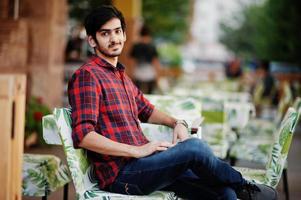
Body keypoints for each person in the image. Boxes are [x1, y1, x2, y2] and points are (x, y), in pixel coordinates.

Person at [68, 5, 277, 200]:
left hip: (146, 165)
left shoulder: (121, 75)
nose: (113, 38)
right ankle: (244, 185)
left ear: (124, 34)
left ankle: (239, 188)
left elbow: (146, 110)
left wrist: (176, 122)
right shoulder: (88, 76)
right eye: (105, 33)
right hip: (123, 175)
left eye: (117, 31)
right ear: (92, 41)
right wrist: (135, 150)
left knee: (224, 193)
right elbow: (84, 135)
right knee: (194, 148)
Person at [129, 25, 161, 94]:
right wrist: (158, 76)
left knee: (137, 95)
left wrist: (131, 75)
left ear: (140, 34)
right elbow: (155, 62)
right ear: (149, 35)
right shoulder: (152, 46)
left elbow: (132, 62)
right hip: (150, 74)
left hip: (137, 73)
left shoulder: (136, 46)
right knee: (151, 95)